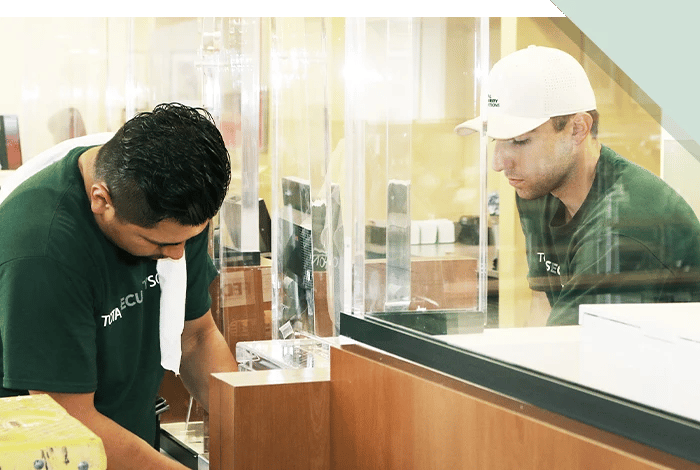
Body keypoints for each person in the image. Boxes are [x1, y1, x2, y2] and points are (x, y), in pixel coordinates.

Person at [0, 102, 239, 469]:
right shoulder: (42, 252)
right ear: (102, 201)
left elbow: (196, 338)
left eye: (189, 239)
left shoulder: (176, 211)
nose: (177, 255)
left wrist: (251, 432)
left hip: (129, 446)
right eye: (158, 244)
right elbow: (70, 422)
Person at [455, 45, 700, 326]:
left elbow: (574, 352)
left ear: (578, 129)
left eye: (520, 141)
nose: (499, 163)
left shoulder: (622, 227)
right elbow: (544, 304)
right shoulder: (537, 187)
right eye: (496, 140)